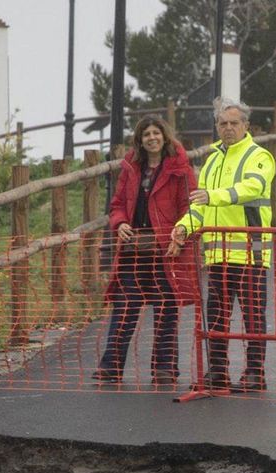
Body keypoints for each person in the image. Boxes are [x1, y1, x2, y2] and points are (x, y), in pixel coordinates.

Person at [171, 97, 276, 392]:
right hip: (217, 255)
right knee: (217, 317)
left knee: (253, 317)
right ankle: (218, 372)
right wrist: (183, 227)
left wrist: (213, 197)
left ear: (246, 126)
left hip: (249, 254)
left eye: (234, 123)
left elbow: (252, 187)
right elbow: (200, 207)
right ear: (217, 127)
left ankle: (255, 373)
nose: (228, 128)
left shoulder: (259, 155)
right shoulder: (213, 159)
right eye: (222, 123)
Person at [93, 116, 197, 388]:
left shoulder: (181, 169)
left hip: (166, 249)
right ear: (139, 140)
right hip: (133, 250)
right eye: (146, 134)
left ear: (164, 136)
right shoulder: (131, 168)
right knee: (124, 308)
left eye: (156, 133)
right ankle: (110, 367)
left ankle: (164, 368)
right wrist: (120, 223)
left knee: (166, 310)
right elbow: (116, 205)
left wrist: (181, 233)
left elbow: (190, 207)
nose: (152, 138)